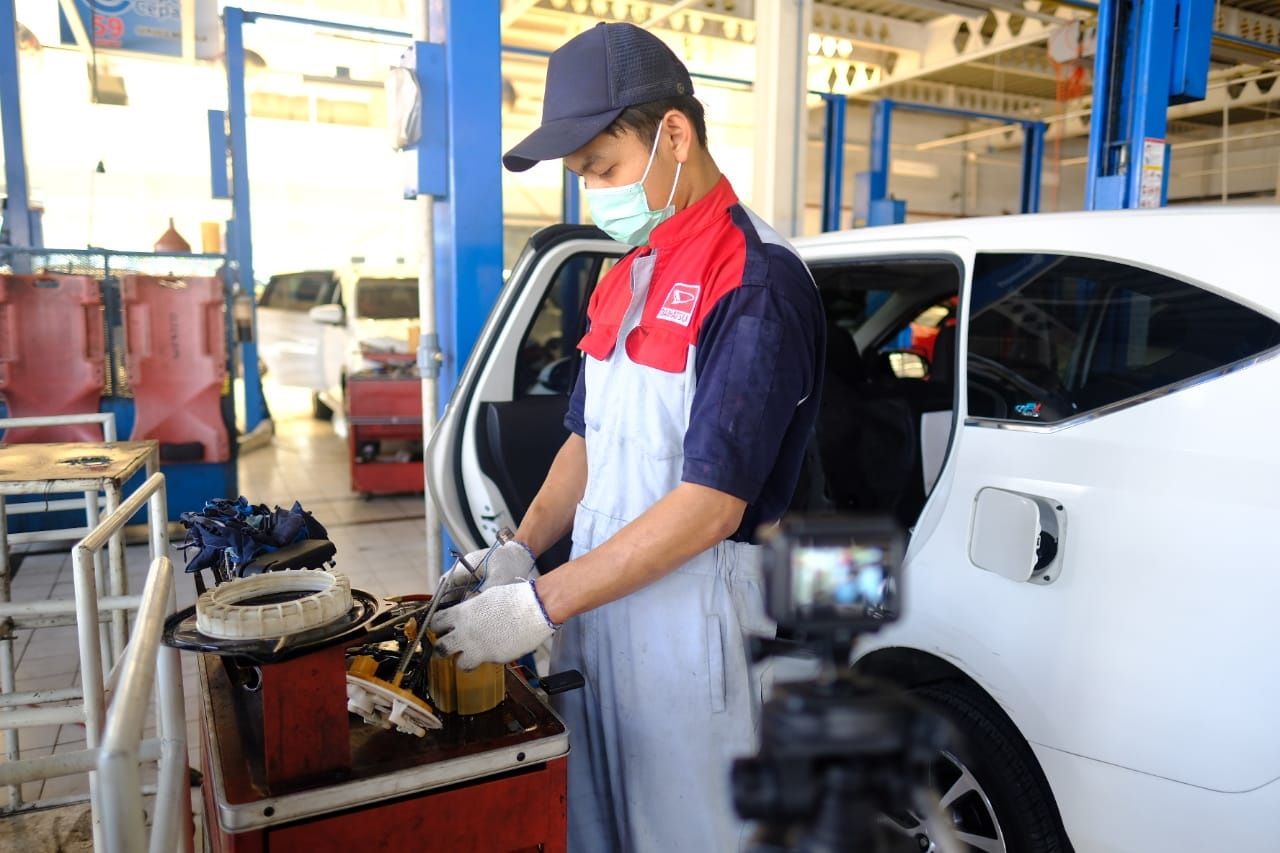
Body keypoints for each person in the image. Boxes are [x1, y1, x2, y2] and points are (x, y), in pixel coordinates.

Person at [430, 21, 825, 852]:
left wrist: (537, 604)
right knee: (598, 826)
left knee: (690, 833)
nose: (593, 195)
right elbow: (587, 437)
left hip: (693, 625)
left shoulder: (753, 281)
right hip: (598, 605)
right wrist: (520, 549)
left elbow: (712, 506)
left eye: (601, 169)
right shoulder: (628, 271)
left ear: (673, 135)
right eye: (580, 179)